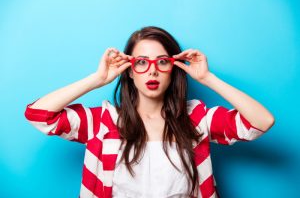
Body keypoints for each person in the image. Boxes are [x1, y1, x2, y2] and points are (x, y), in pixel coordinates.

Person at [24, 26, 275, 198]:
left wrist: (208, 78)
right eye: (141, 62)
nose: (152, 71)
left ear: (173, 68)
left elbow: (262, 122)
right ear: (129, 71)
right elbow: (38, 114)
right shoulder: (103, 122)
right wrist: (97, 79)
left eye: (162, 61)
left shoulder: (197, 120)